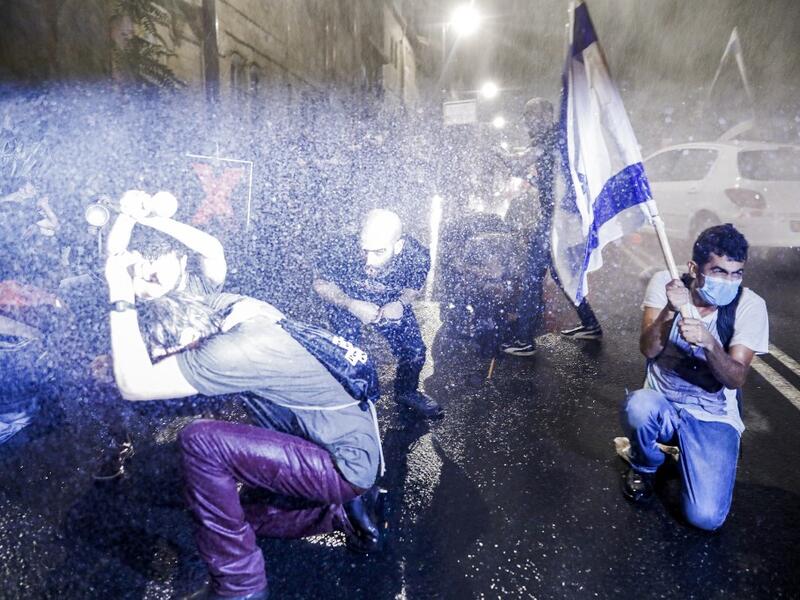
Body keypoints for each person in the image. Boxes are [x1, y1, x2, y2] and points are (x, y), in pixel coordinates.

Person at [104, 251, 387, 600]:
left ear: (185, 335)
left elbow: (134, 384)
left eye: (166, 352)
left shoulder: (230, 351)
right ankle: (343, 512)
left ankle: (241, 587)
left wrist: (119, 289)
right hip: (338, 440)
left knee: (201, 440)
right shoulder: (227, 309)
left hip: (344, 465)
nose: (169, 360)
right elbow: (207, 251)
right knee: (227, 513)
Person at [619, 224, 767, 531]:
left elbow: (736, 378)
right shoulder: (666, 282)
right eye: (719, 271)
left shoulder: (750, 306)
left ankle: (686, 450)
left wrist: (710, 343)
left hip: (712, 415)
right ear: (694, 268)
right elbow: (648, 349)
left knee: (706, 518)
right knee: (638, 407)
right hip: (663, 404)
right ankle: (644, 464)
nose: (728, 281)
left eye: (736, 273)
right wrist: (670, 311)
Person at [313, 208, 443, 419]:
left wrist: (400, 303)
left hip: (389, 301)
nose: (368, 261)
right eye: (364, 251)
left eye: (379, 252)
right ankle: (347, 396)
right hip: (346, 298)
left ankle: (407, 391)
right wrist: (352, 305)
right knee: (347, 350)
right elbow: (320, 283)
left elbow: (414, 286)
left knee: (415, 351)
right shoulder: (340, 248)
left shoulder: (416, 256)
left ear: (398, 246)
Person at [498, 98, 602, 357]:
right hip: (559, 219)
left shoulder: (552, 136)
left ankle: (523, 339)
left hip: (556, 220)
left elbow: (519, 163)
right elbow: (546, 178)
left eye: (530, 115)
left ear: (544, 115)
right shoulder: (553, 138)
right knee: (560, 274)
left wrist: (500, 155)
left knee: (532, 276)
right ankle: (590, 324)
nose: (526, 122)